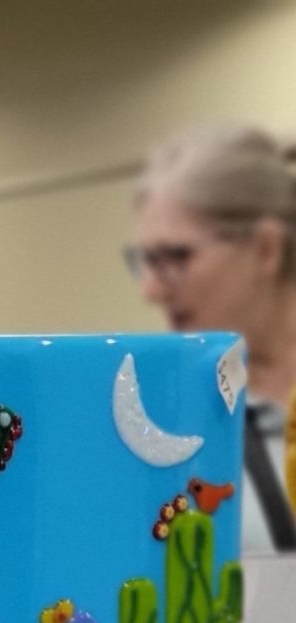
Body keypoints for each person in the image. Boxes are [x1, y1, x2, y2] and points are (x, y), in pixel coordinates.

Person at [130, 124, 296, 550]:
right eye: (145, 261)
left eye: (175, 256)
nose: (150, 289)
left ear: (265, 248)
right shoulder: (166, 426)